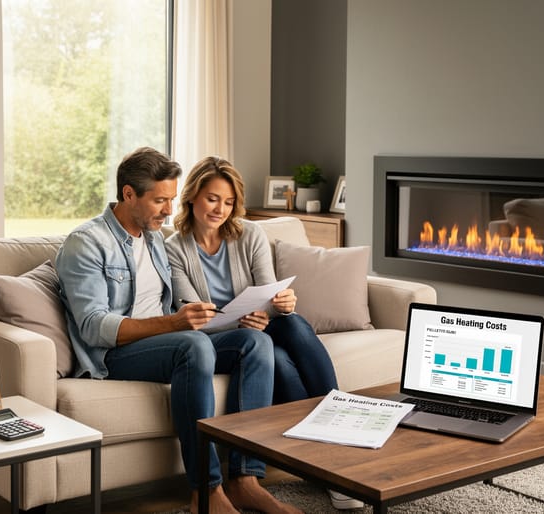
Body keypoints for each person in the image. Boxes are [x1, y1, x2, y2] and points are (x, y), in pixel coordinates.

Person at [55, 147, 301, 514]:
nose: (169, 211)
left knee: (255, 342)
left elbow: (168, 304)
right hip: (115, 355)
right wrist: (175, 322)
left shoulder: (153, 237)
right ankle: (206, 490)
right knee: (194, 347)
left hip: (168, 340)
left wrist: (188, 315)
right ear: (128, 194)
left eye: (171, 200)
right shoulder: (87, 243)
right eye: (160, 201)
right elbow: (93, 327)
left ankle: (245, 479)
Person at [165, 155, 363, 511]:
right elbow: (195, 317)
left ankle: (333, 448)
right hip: (216, 342)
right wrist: (242, 321)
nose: (220, 209)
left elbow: (269, 293)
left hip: (259, 330)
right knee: (276, 355)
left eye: (228, 202)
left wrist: (281, 303)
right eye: (212, 199)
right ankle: (336, 458)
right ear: (193, 196)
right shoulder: (173, 249)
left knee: (292, 323)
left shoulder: (251, 233)